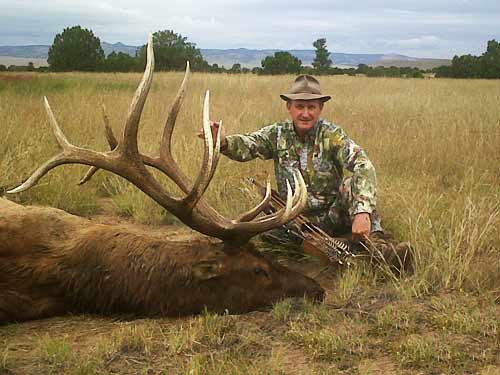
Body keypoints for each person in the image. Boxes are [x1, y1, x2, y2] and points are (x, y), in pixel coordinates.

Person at [203, 74, 383, 245]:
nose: (305, 114)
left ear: (320, 108)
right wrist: (224, 142)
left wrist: (362, 211)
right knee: (266, 238)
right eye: (299, 106)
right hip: (295, 220)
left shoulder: (332, 135)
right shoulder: (277, 133)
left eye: (311, 107)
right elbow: (249, 144)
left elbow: (363, 164)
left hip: (333, 214)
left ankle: (378, 244)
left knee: (353, 185)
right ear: (289, 107)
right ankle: (338, 243)